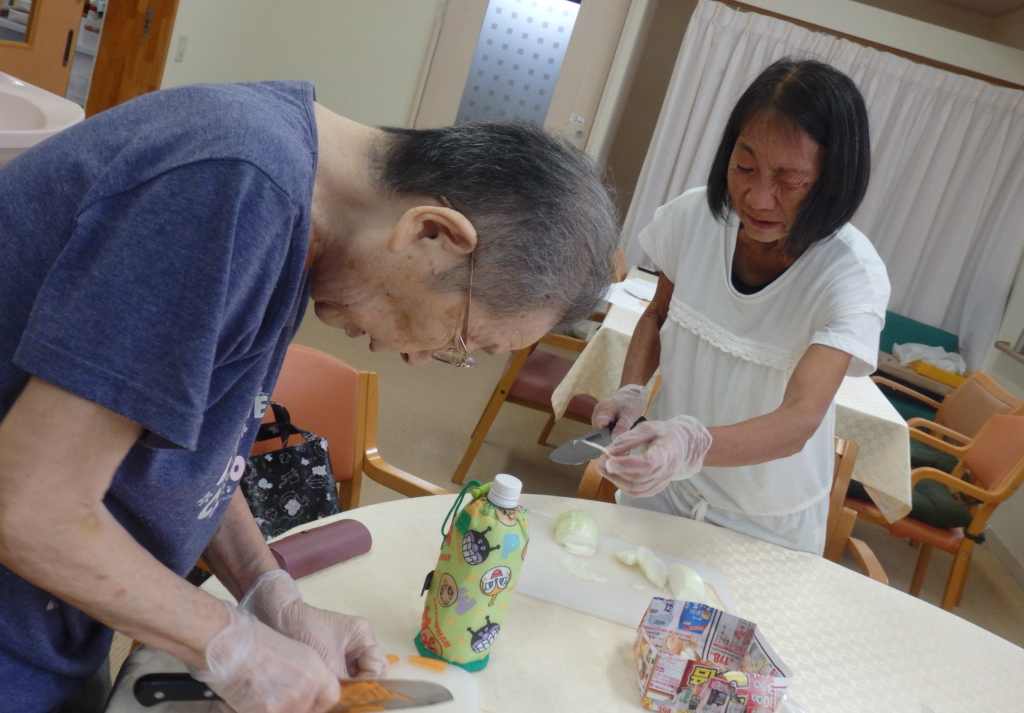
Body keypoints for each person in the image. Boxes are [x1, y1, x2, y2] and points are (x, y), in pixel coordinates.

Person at [0, 80, 618, 713]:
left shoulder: (298, 219)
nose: (418, 358)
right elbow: (33, 507)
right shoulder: (230, 187)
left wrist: (268, 593)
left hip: (54, 623)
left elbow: (198, 454)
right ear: (432, 231)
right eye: (460, 340)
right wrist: (234, 644)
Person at [591, 57, 889, 555]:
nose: (758, 197)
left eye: (791, 180)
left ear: (834, 180)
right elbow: (658, 315)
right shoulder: (693, 218)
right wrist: (632, 390)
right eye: (745, 167)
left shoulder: (850, 274)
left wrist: (691, 444)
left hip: (766, 521)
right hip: (665, 489)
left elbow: (799, 420)